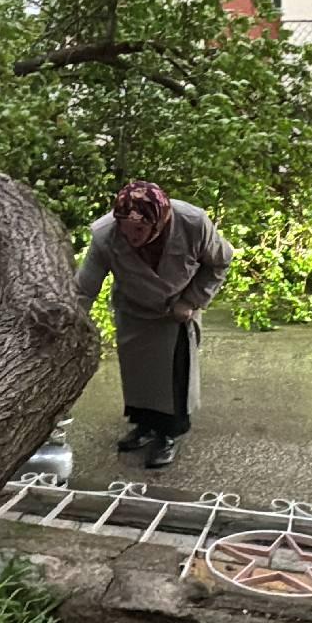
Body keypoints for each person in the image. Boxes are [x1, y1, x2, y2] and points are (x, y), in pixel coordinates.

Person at [75, 181, 233, 469]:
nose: (130, 236)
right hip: (134, 310)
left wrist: (191, 300)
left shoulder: (193, 223)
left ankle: (168, 436)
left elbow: (221, 261)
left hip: (175, 312)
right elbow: (85, 286)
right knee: (139, 378)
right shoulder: (106, 235)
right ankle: (143, 427)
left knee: (173, 380)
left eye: (139, 230)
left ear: (158, 221)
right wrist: (69, 320)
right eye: (125, 228)